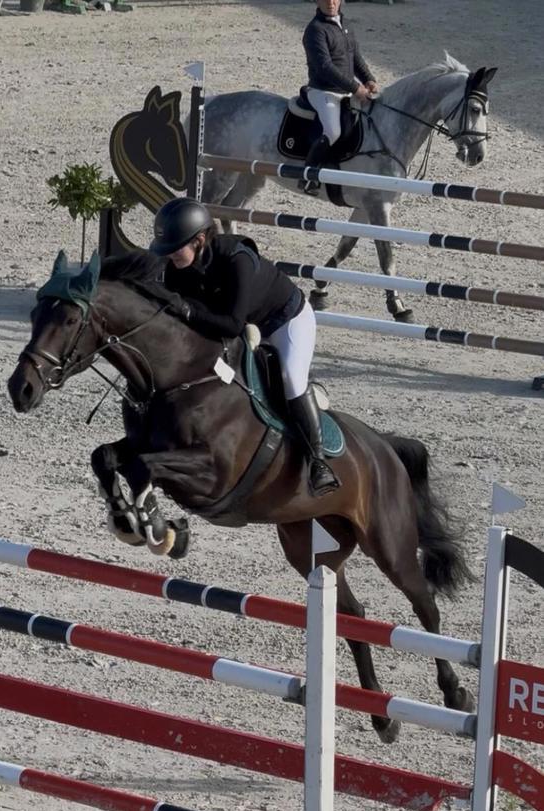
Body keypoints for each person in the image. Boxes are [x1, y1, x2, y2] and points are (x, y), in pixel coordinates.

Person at [149, 198, 339, 496]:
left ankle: (318, 462)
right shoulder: (177, 267)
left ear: (199, 240)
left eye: (174, 248)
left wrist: (186, 310)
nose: (169, 256)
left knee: (290, 379)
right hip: (247, 325)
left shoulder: (237, 259)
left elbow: (231, 323)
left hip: (286, 321)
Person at [302, 0, 377, 194]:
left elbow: (356, 57)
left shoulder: (346, 25)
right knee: (333, 131)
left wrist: (368, 79)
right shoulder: (315, 30)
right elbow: (325, 67)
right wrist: (355, 88)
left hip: (345, 91)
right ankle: (308, 176)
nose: (330, 2)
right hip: (323, 91)